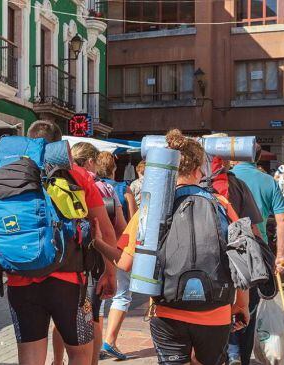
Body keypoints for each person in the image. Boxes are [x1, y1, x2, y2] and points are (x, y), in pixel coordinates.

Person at [115, 129, 249, 365]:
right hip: (216, 312)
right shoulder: (221, 204)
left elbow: (125, 263)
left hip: (168, 310)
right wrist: (242, 305)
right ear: (199, 170)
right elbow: (241, 258)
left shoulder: (153, 207)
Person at [7, 121, 122, 365]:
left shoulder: (11, 171)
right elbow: (104, 229)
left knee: (29, 357)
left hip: (21, 278)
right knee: (80, 355)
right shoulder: (76, 174)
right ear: (60, 144)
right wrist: (110, 273)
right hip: (68, 280)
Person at [229, 155, 284, 365]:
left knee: (224, 305)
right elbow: (282, 220)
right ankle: (241, 355)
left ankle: (231, 351)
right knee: (249, 308)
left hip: (222, 251)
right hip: (254, 254)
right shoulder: (267, 180)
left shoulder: (223, 178)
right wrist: (279, 255)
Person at [91, 150, 134, 361]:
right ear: (114, 169)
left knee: (97, 297)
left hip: (95, 249)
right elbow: (130, 224)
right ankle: (110, 340)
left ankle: (96, 343)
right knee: (122, 294)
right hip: (118, 248)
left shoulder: (91, 187)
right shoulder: (122, 189)